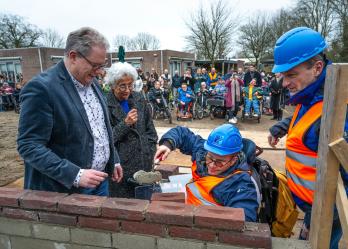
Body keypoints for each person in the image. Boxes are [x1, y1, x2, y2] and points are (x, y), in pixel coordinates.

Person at [17, 27, 123, 196]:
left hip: (100, 182)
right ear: (73, 56)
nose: (100, 72)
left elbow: (100, 128)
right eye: (95, 65)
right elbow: (29, 145)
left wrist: (113, 160)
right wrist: (74, 174)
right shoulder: (42, 89)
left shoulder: (92, 82)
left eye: (102, 66)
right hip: (64, 190)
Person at [268, 27, 348, 249]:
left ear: (317, 67)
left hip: (324, 211)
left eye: (291, 74)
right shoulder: (313, 93)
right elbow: (307, 118)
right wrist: (282, 127)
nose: (284, 83)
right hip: (313, 205)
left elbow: (343, 180)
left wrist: (318, 217)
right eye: (283, 75)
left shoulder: (337, 112)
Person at [154, 124, 260, 222]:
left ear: (233, 160)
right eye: (210, 158)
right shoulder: (203, 151)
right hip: (189, 212)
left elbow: (244, 220)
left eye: (219, 162)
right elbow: (182, 133)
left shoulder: (239, 184)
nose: (212, 165)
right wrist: (167, 145)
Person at [106, 62, 158, 198]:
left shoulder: (139, 98)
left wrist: (149, 152)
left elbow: (150, 131)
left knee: (144, 204)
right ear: (112, 85)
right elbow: (105, 139)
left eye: (130, 85)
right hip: (121, 169)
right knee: (123, 208)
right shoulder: (105, 104)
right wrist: (125, 123)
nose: (127, 90)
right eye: (122, 85)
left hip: (143, 164)